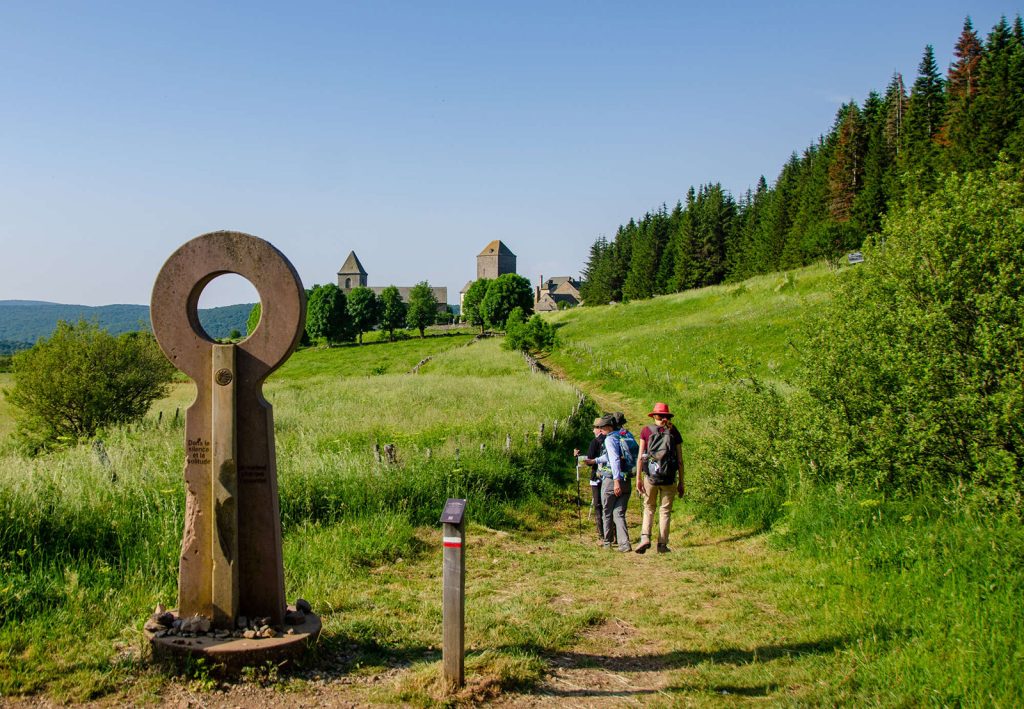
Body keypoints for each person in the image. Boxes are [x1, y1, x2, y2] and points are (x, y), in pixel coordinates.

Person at [634, 402, 685, 554]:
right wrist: (681, 482)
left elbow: (640, 457)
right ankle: (662, 544)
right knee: (665, 511)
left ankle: (645, 537)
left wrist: (638, 478)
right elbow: (680, 460)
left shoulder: (646, 431)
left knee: (649, 507)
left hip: (651, 477)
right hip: (669, 478)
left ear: (654, 415)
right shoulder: (673, 432)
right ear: (667, 416)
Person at [585, 414, 632, 552]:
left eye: (602, 427)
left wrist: (616, 481)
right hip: (626, 479)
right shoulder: (624, 435)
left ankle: (607, 542)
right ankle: (625, 544)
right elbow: (611, 456)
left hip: (612, 480)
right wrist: (596, 461)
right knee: (619, 513)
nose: (600, 430)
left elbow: (614, 460)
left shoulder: (610, 439)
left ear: (608, 427)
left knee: (607, 511)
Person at [573, 417, 606, 544]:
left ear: (599, 429)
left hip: (597, 477)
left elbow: (589, 461)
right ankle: (612, 532)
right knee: (609, 505)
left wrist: (578, 457)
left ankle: (601, 533)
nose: (593, 430)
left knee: (598, 505)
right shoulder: (611, 439)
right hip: (610, 477)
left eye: (594, 428)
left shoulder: (595, 442)